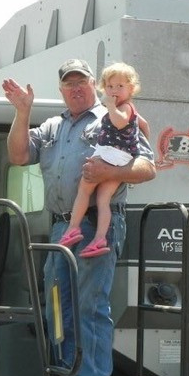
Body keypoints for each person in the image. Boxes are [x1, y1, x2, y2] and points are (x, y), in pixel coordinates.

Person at [2, 59, 155, 376]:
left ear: (94, 85)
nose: (76, 89)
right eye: (69, 83)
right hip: (61, 230)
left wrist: (112, 172)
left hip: (96, 226)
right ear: (61, 90)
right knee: (59, 312)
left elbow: (148, 166)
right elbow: (19, 155)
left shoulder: (115, 116)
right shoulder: (52, 125)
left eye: (82, 82)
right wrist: (22, 112)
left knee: (89, 309)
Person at [59, 62, 150, 258]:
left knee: (84, 188)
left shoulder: (123, 107)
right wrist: (140, 136)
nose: (114, 90)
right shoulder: (128, 108)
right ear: (103, 87)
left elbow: (120, 121)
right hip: (120, 156)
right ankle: (99, 239)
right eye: (110, 86)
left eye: (120, 86)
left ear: (131, 88)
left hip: (111, 153)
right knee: (103, 199)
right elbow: (143, 125)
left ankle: (73, 228)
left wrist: (109, 106)